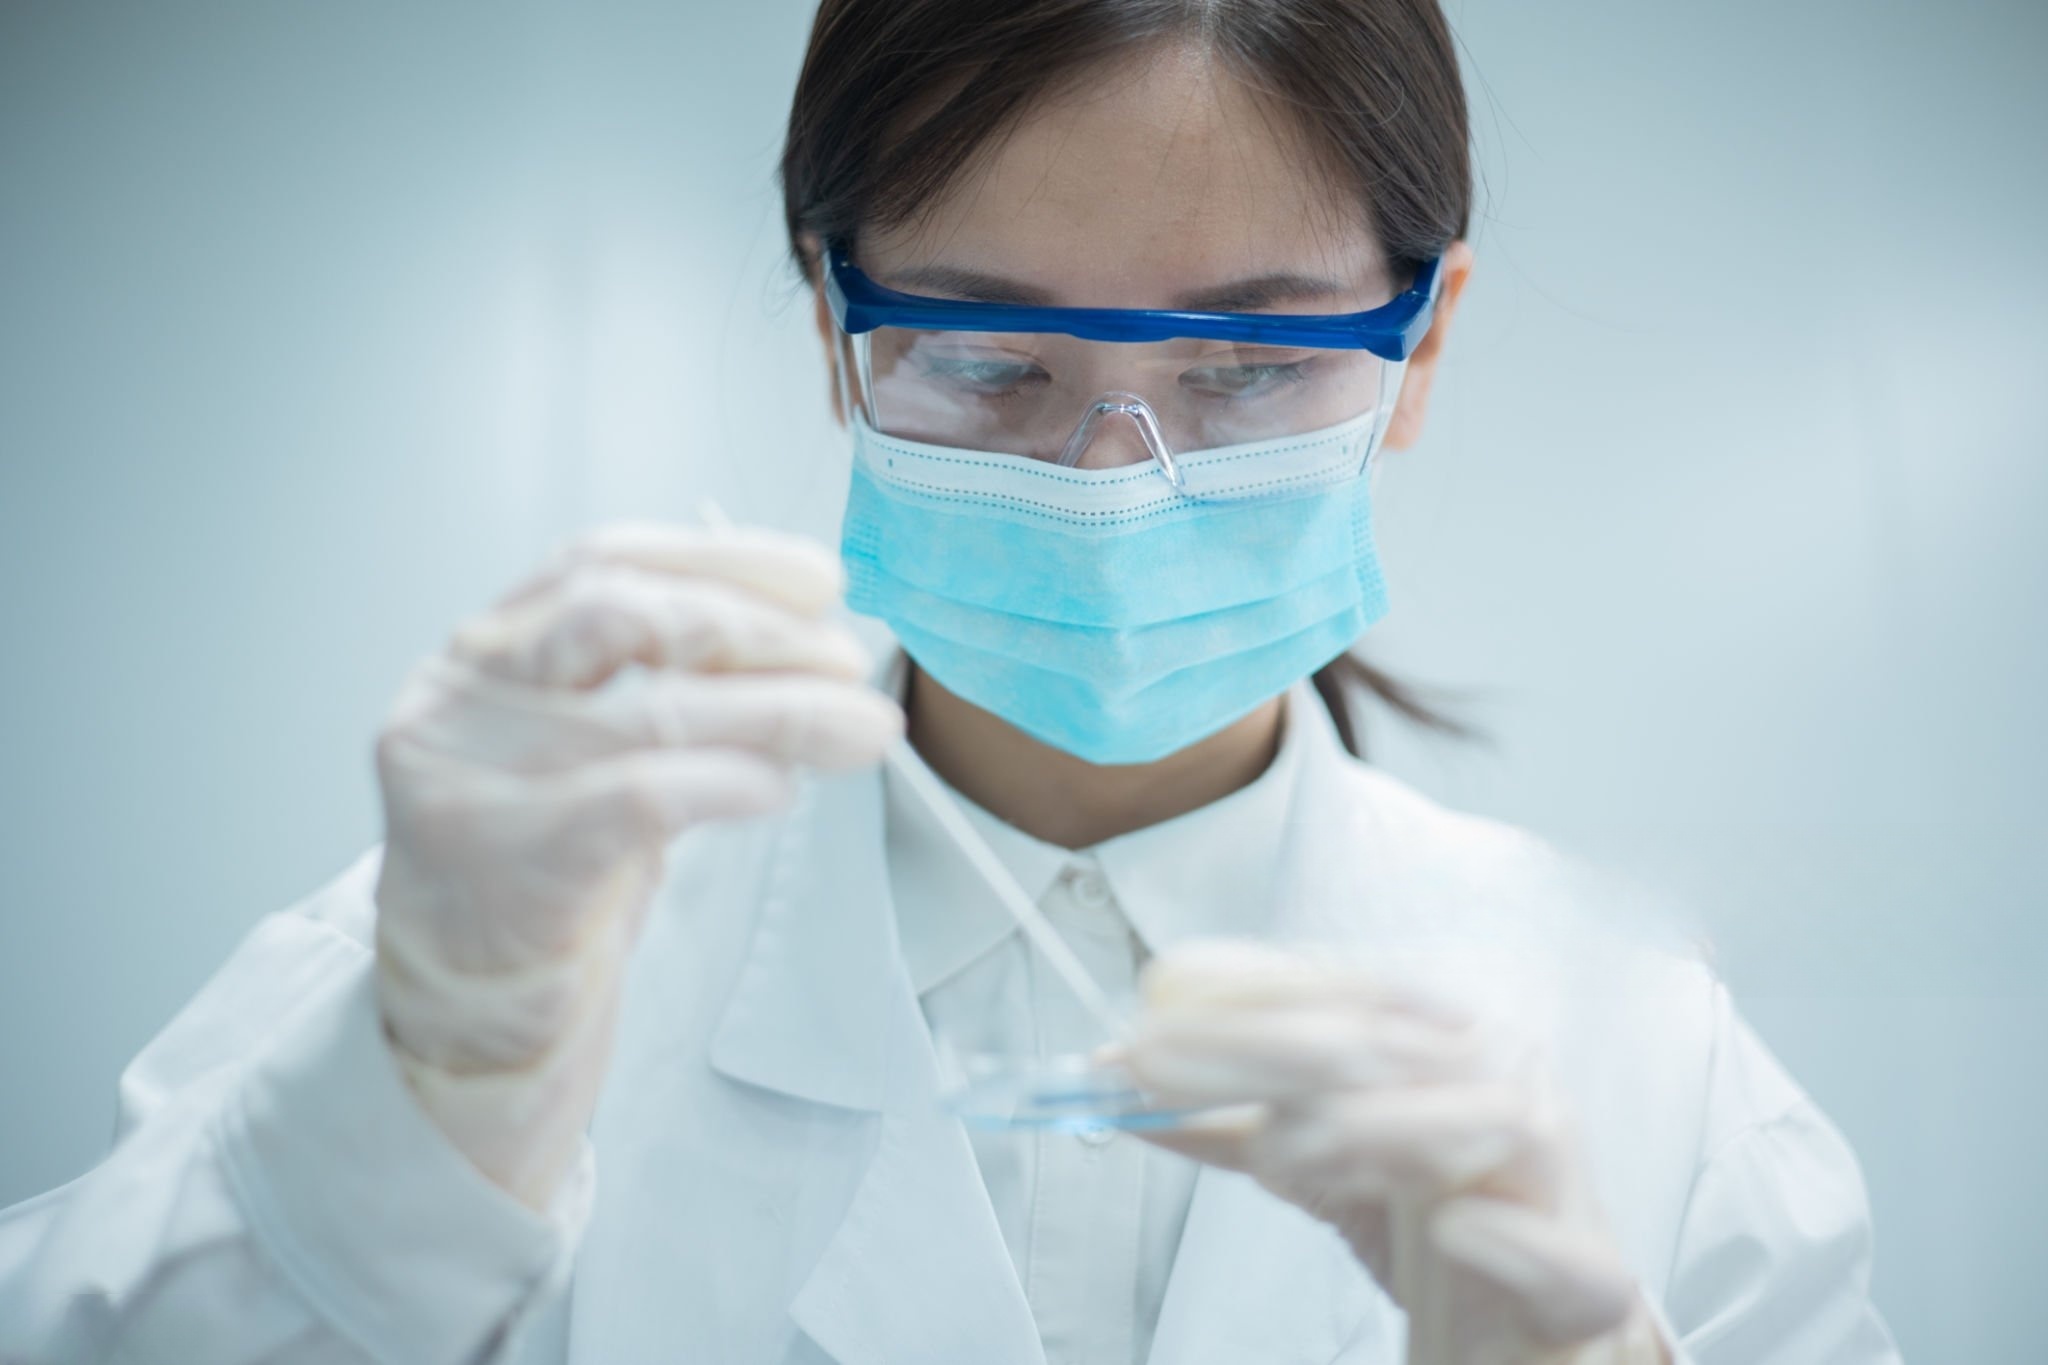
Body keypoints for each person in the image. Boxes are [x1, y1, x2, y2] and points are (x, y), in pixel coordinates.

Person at [0, 1, 1900, 1362]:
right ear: (841, 330)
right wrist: (409, 1136)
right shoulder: (475, 978)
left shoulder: (1647, 1065)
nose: (1111, 481)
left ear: (1422, 346)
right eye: (990, 360)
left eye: (1251, 369)